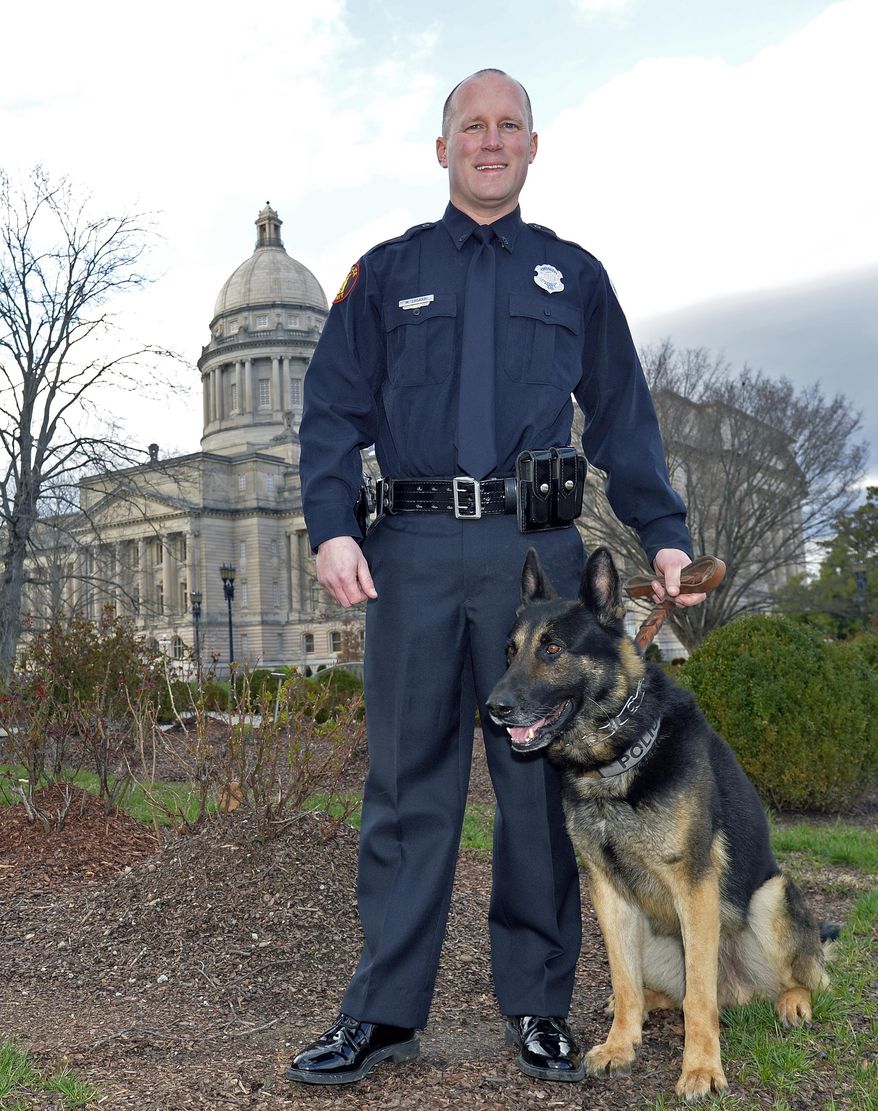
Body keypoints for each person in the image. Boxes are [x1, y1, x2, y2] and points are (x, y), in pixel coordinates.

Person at [287, 68, 705, 1087]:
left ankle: (537, 1008)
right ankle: (383, 1013)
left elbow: (622, 421)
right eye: (468, 126)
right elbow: (332, 410)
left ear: (530, 145)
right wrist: (332, 526)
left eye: (505, 125)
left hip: (540, 567)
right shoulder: (384, 273)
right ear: (441, 150)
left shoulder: (573, 277)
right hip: (414, 555)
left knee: (534, 797)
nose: (487, 140)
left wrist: (663, 532)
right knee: (405, 788)